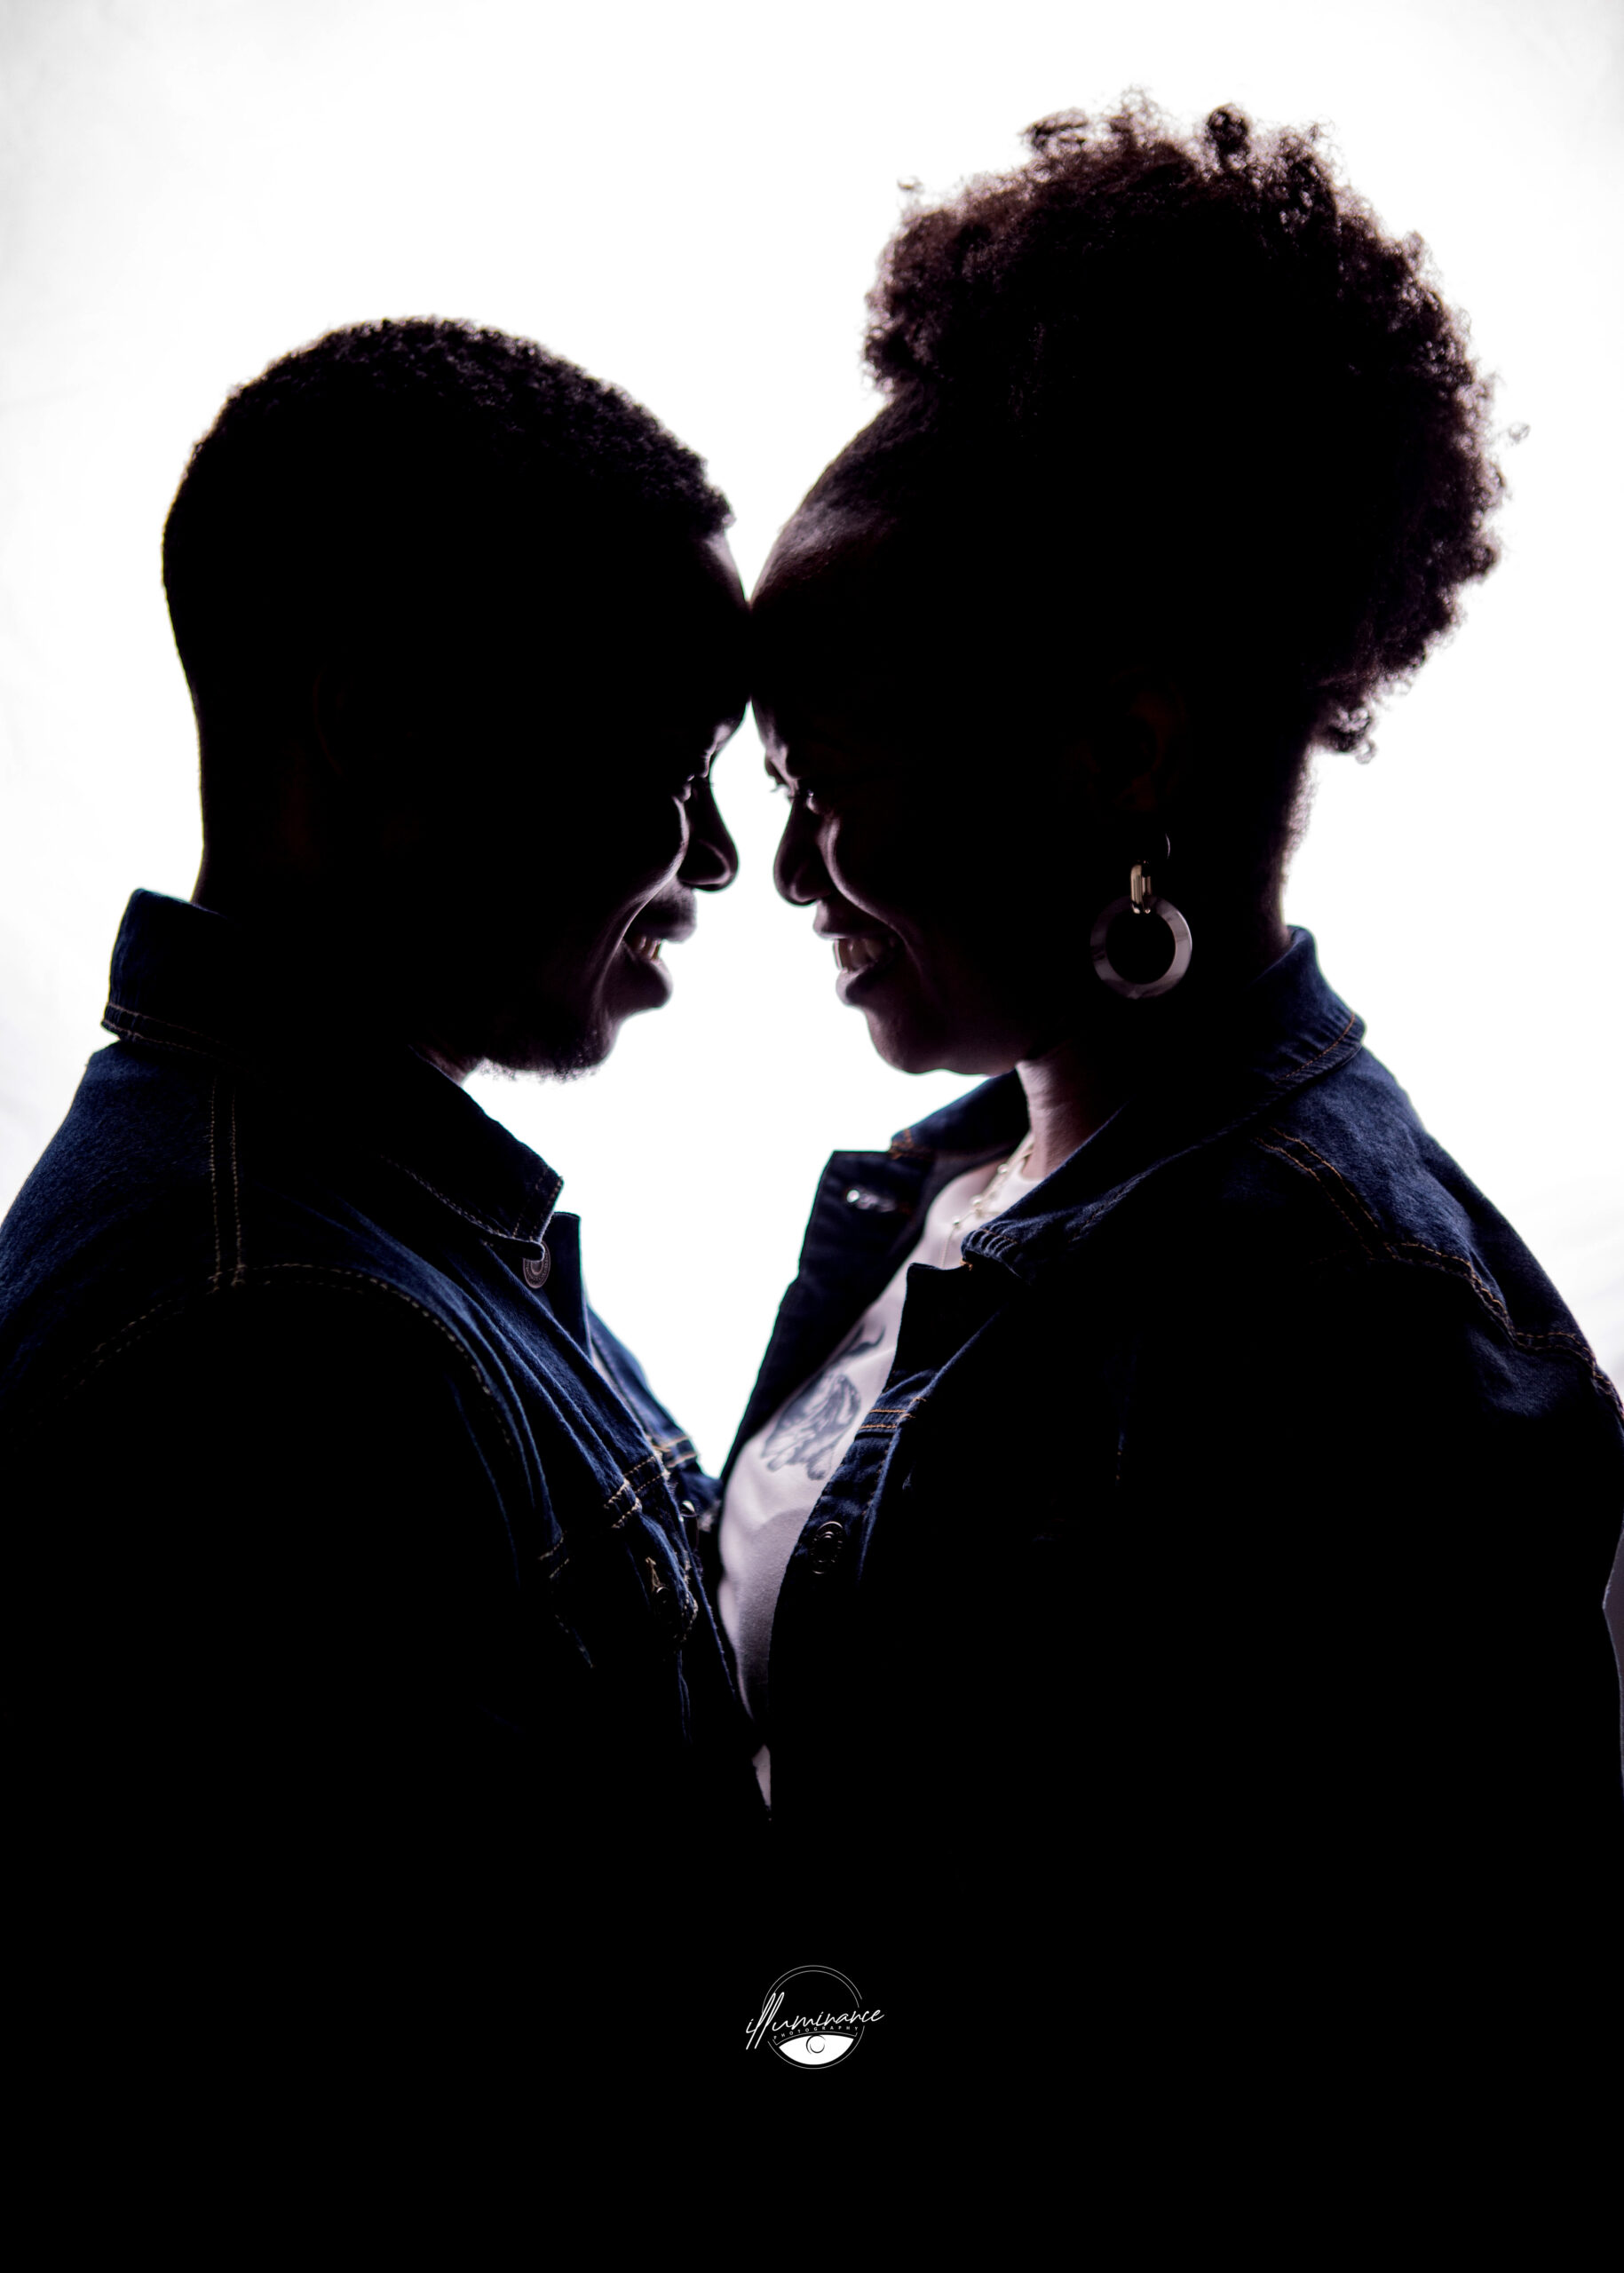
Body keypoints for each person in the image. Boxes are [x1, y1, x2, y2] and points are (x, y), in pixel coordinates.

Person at [720, 105, 1624, 2078]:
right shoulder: (943, 1188)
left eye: (828, 779)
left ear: (1126, 754)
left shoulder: (1350, 1336)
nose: (784, 871)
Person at [0, 319, 764, 2088]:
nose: (720, 855)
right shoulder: (276, 1349)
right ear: (380, 730)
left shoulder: (362, 1228)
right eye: (671, 757)